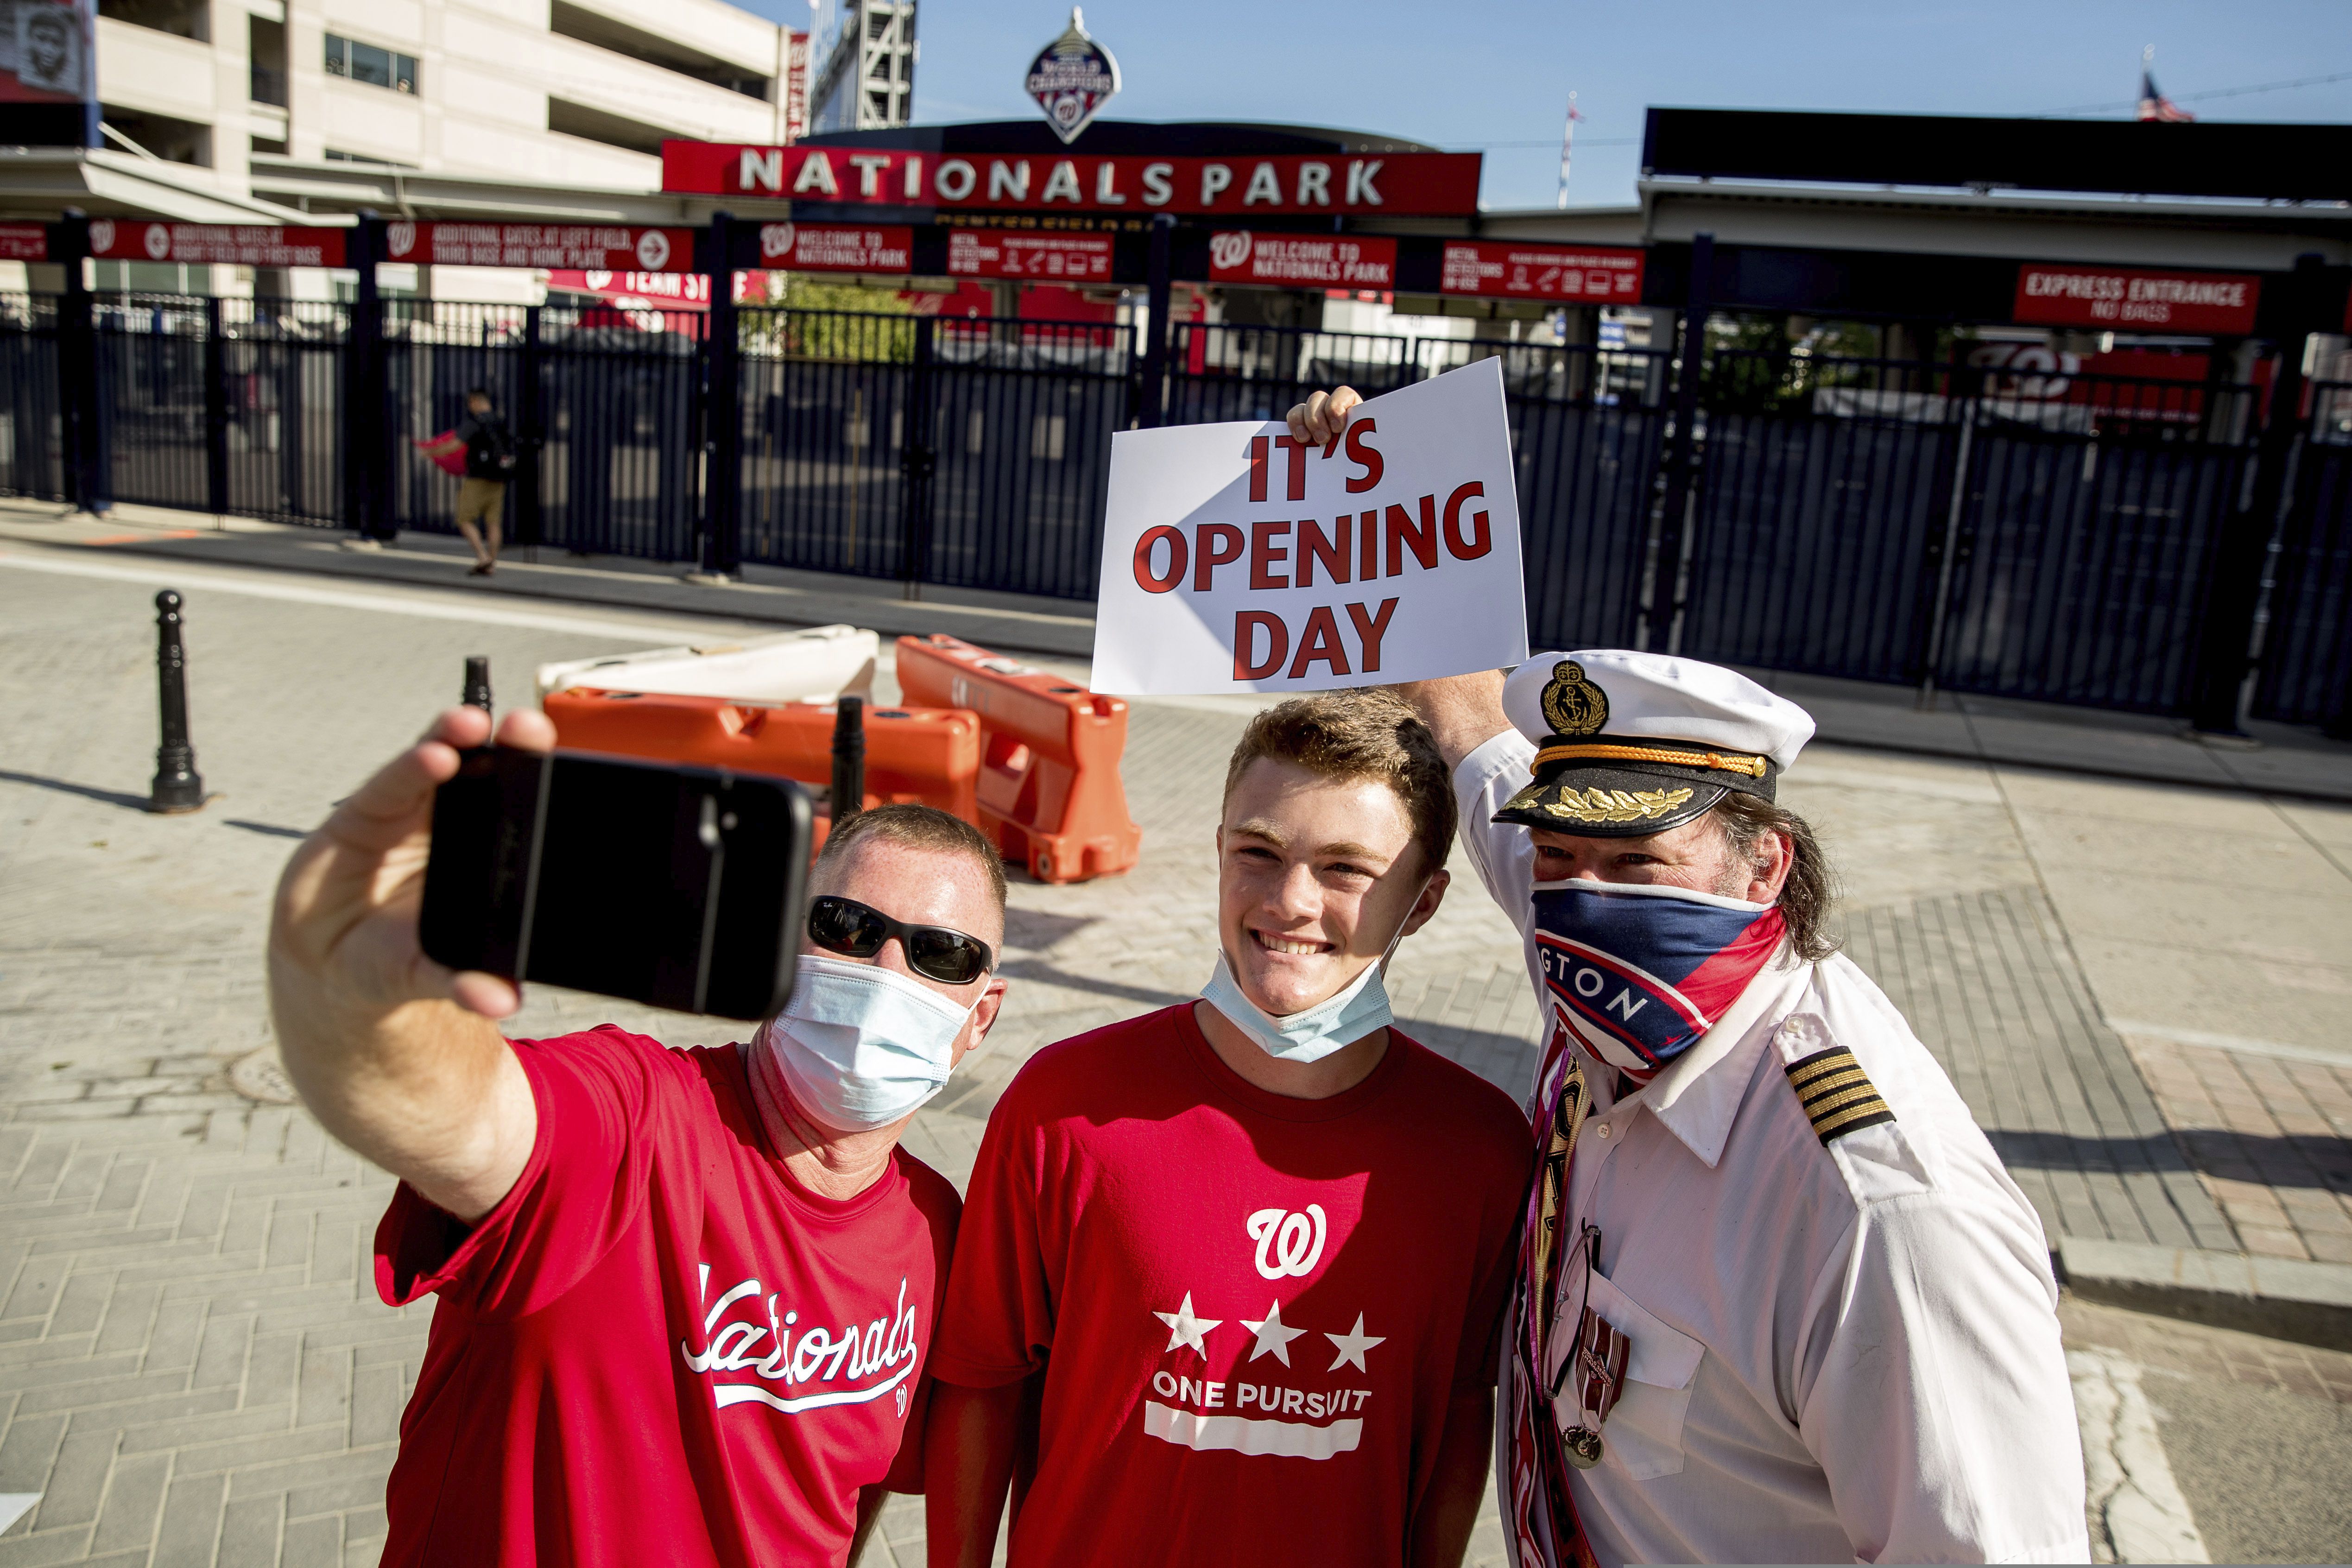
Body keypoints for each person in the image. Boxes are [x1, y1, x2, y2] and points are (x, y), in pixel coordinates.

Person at [1291, 388, 2090, 1567]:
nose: (1584, 897)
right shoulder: (1612, 945)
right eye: (1557, 853)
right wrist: (1382, 482)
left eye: (1637, 861)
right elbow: (1468, 716)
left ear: (1765, 863)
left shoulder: (1877, 1215)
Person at [266, 702, 1009, 1566]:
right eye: (845, 926)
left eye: (940, 955)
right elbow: (463, 1116)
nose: (887, 972)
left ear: (980, 1016)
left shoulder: (938, 1227)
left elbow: (844, 1491)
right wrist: (352, 1000)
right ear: (786, 942)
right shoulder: (637, 1116)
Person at [924, 691, 1530, 1568]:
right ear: (1217, 851)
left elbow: (1459, 1411)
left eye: (1344, 868)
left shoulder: (1481, 1148)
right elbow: (981, 1381)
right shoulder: (1065, 1102)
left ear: (1425, 900)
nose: (1289, 899)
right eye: (1259, 850)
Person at [417, 387, 517, 575]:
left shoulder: (475, 423)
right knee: (494, 523)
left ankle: (483, 557)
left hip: (477, 479)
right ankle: (492, 564)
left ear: (475, 402)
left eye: (470, 403)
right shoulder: (500, 422)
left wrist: (430, 452)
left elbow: (454, 445)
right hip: (499, 479)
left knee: (464, 519)